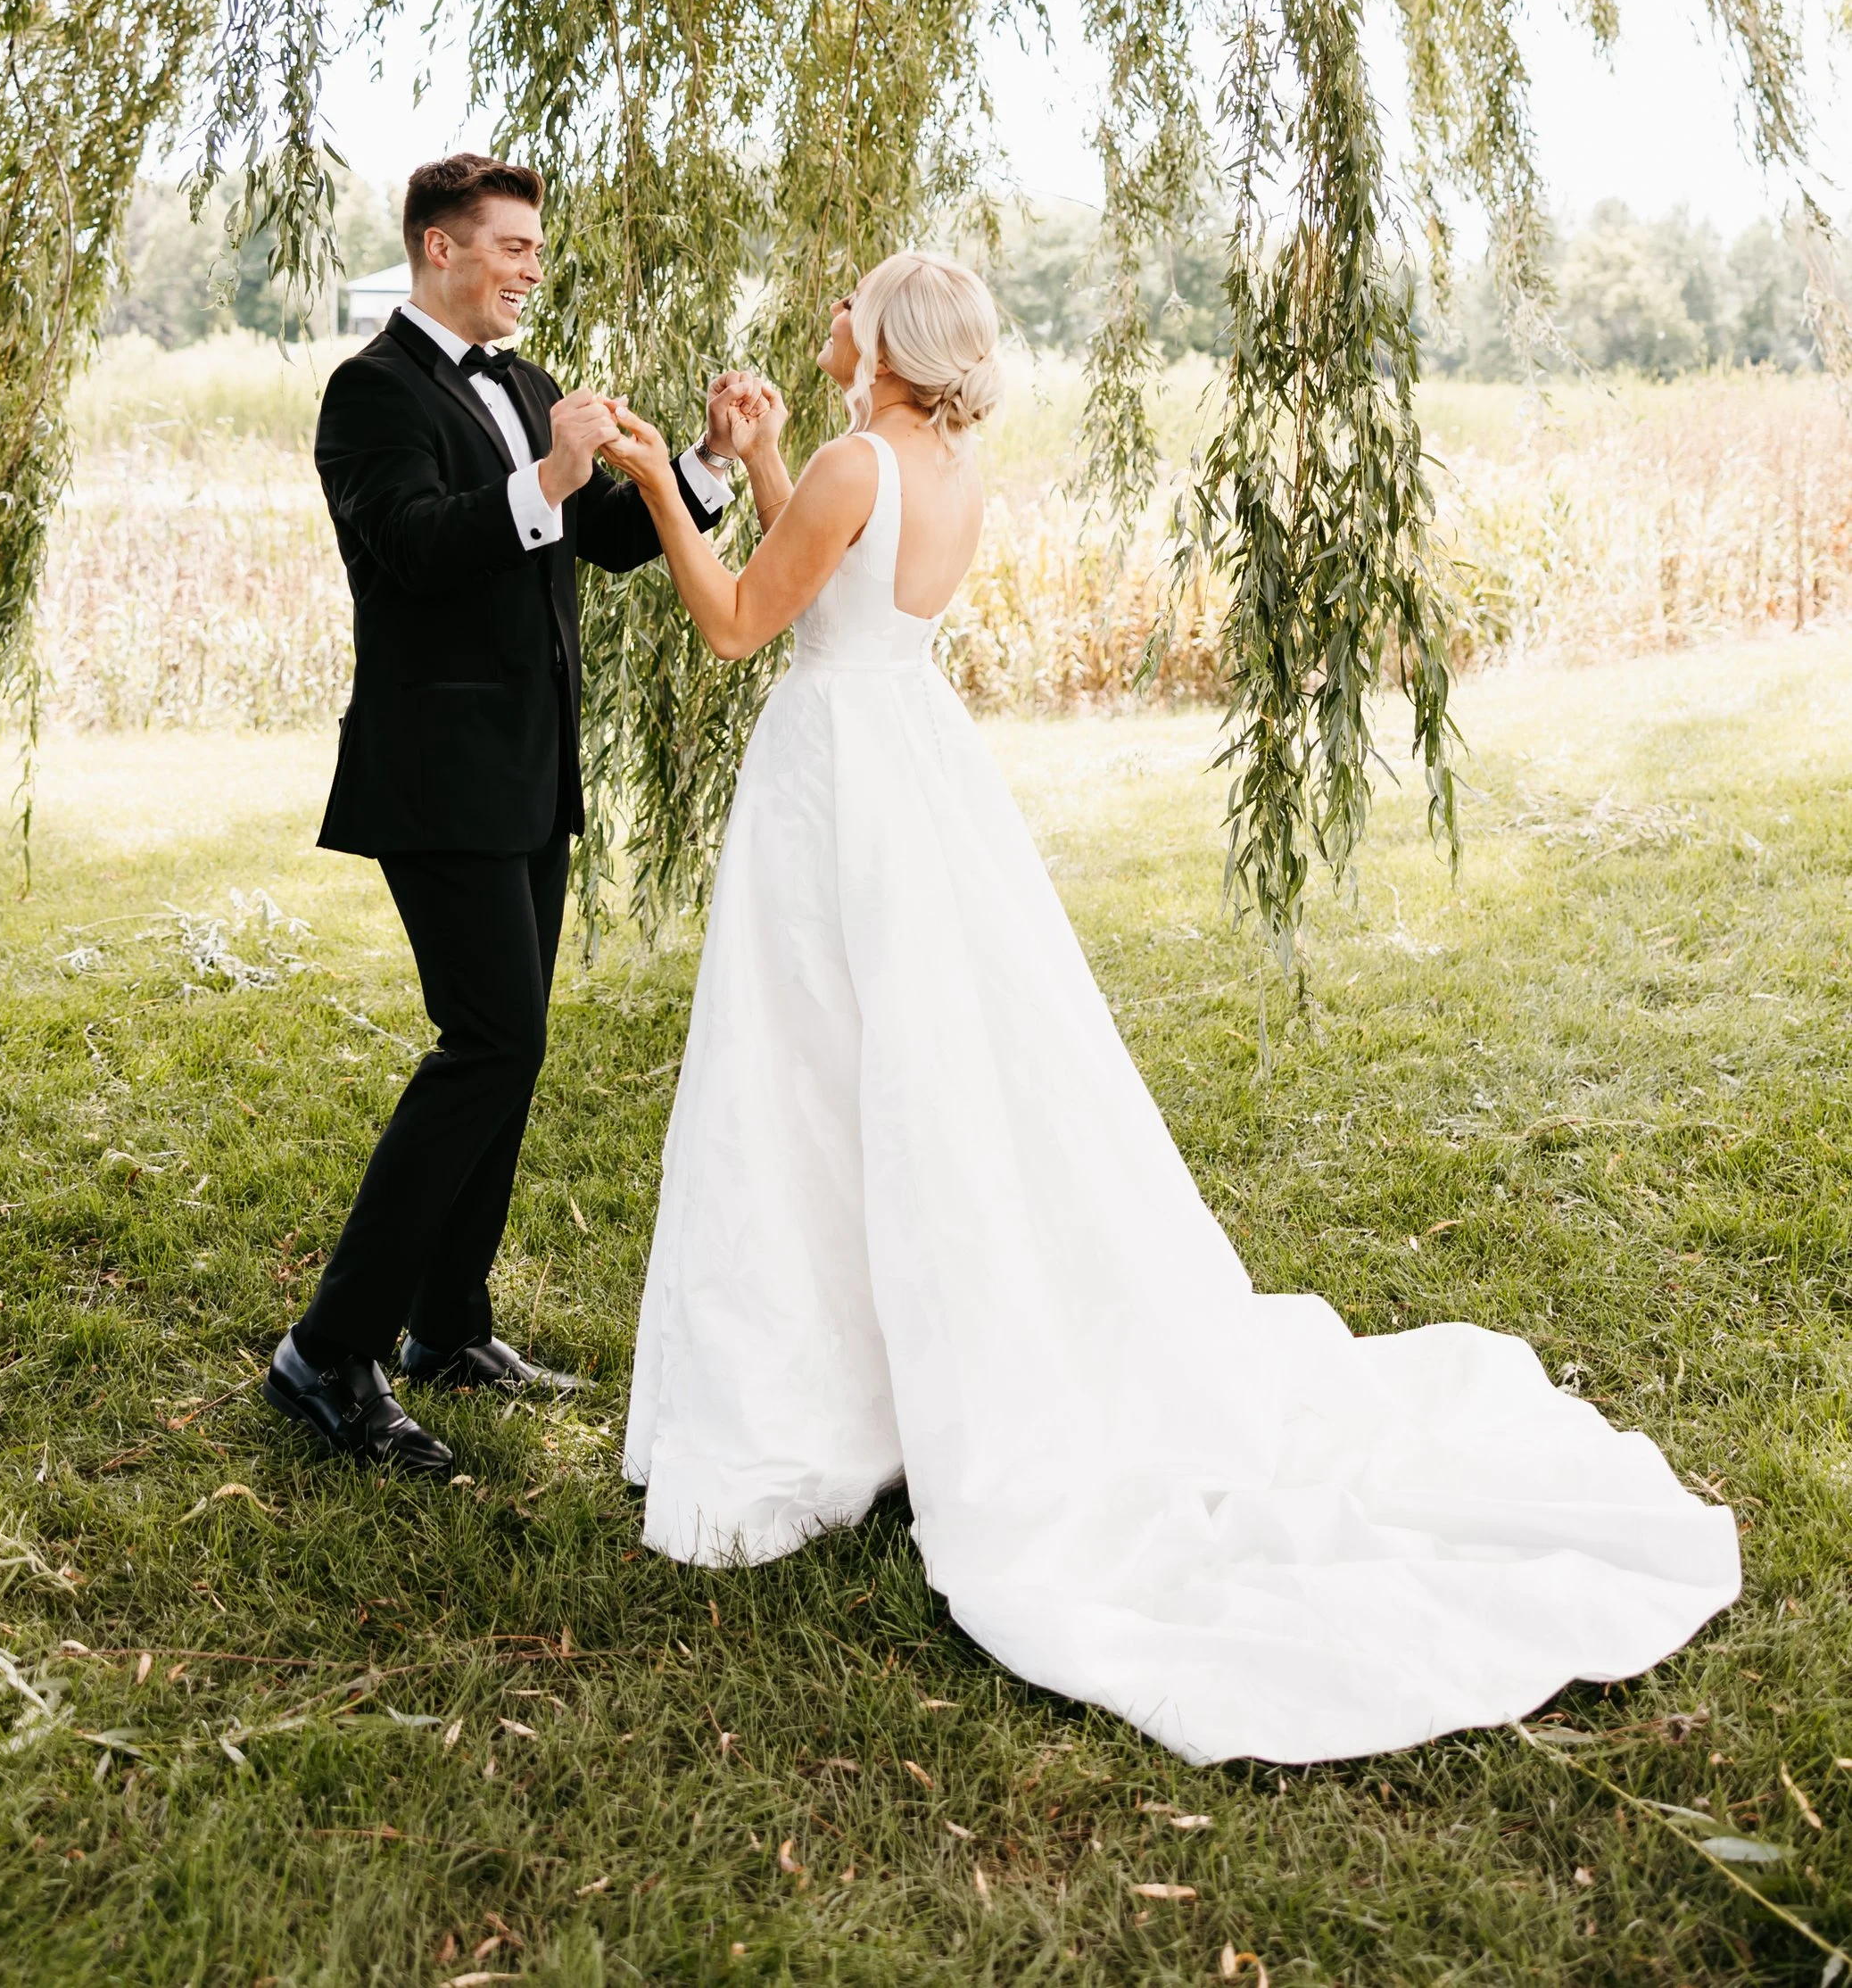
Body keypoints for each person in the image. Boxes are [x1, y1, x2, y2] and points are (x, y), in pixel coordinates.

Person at [599, 250, 1740, 1766]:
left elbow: (743, 622)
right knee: (915, 1075)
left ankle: (820, 1400)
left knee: (806, 1080)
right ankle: (887, 1374)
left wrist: (657, 480)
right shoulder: (946, 459)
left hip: (832, 791)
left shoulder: (854, 459)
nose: (826, 327)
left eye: (844, 313)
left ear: (884, 342)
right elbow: (854, 578)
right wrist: (751, 453)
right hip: (919, 779)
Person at [264, 152, 774, 1479]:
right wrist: (542, 479)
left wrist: (707, 461)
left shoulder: (531, 384)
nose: (531, 266)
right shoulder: (367, 392)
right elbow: (413, 548)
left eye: (536, 247)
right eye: (510, 245)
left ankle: (450, 1323)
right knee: (488, 1039)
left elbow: (601, 540)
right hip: (433, 772)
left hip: (530, 771)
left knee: (516, 1043)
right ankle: (329, 1350)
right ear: (440, 248)